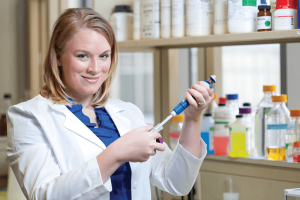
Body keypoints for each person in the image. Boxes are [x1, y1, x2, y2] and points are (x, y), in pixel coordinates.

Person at [6, 8, 216, 200]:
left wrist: (192, 117)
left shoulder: (128, 113)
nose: (95, 68)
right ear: (58, 56)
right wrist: (116, 153)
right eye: (82, 56)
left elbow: (176, 182)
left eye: (104, 56)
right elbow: (44, 196)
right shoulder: (28, 116)